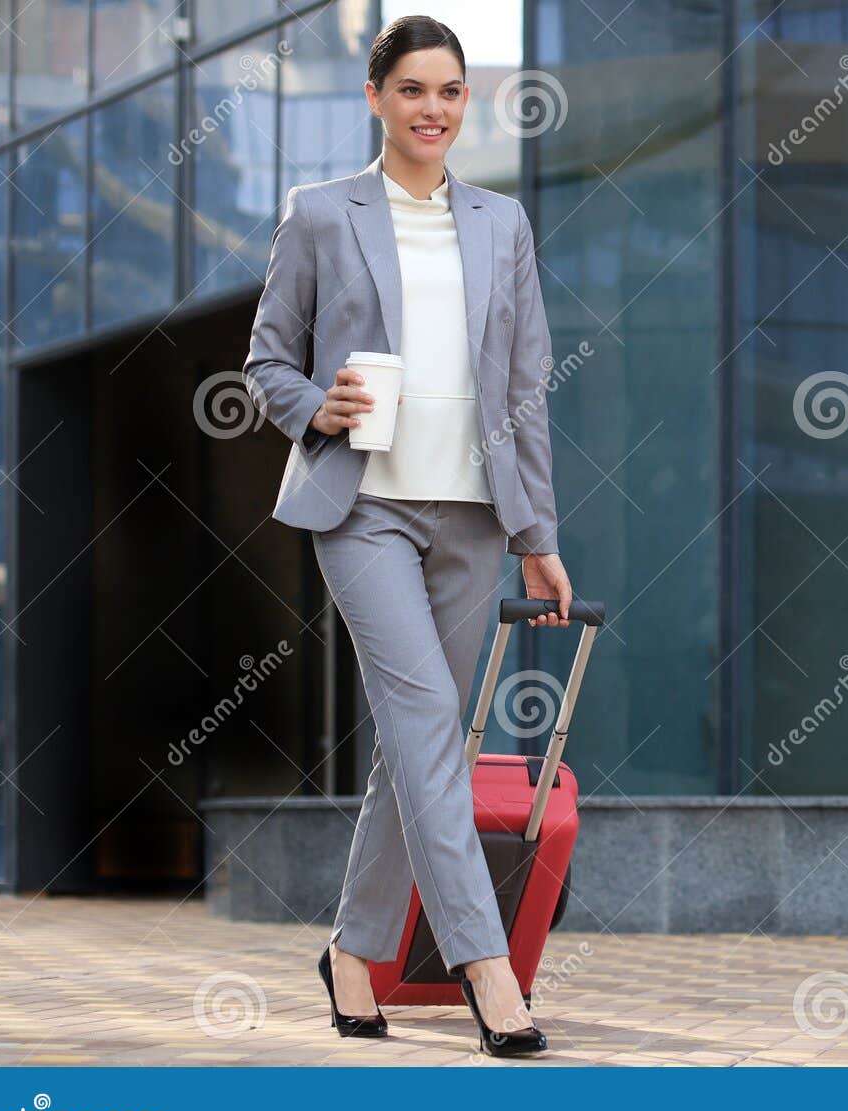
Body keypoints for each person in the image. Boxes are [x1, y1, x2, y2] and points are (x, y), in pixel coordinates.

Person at [242, 14, 572, 1057]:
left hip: (474, 515)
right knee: (431, 722)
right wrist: (316, 409)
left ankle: (352, 947)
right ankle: (485, 967)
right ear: (376, 96)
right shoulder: (321, 215)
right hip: (363, 509)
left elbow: (524, 387)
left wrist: (536, 531)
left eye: (451, 91)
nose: (434, 108)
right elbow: (264, 364)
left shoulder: (500, 224)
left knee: (413, 745)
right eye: (414, 88)